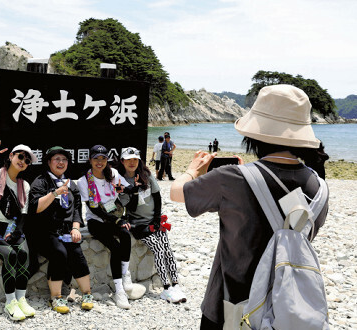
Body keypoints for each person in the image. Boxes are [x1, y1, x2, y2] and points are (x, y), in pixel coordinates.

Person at [170, 84, 329, 329]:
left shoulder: (231, 178)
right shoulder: (320, 188)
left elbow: (176, 193)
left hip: (230, 308)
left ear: (253, 134)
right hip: (289, 308)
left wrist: (192, 171)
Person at [0, 142, 38, 321]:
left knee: (24, 253)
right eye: (20, 156)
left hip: (9, 228)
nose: (23, 161)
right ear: (10, 156)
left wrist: (18, 232)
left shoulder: (24, 185)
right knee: (9, 254)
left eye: (27, 160)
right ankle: (10, 302)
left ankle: (21, 299)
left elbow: (23, 215)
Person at [116, 147, 187, 304]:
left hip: (154, 221)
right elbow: (131, 207)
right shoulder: (120, 181)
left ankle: (175, 285)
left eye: (135, 159)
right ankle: (166, 288)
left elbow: (157, 196)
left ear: (139, 160)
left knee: (167, 249)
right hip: (139, 224)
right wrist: (133, 190)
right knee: (159, 249)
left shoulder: (146, 175)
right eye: (128, 159)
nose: (132, 162)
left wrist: (156, 218)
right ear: (122, 161)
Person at [28, 146, 94, 314]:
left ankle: (87, 294)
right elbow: (35, 207)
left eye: (64, 159)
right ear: (49, 162)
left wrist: (75, 228)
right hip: (44, 231)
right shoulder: (40, 181)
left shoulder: (71, 184)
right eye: (56, 159)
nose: (61, 162)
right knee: (59, 253)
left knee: (77, 252)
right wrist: (55, 193)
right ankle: (56, 297)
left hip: (66, 230)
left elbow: (77, 209)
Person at [76, 145, 133, 309]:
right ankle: (119, 290)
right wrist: (117, 221)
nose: (99, 162)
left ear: (107, 160)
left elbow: (126, 188)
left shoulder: (113, 174)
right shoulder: (83, 181)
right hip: (96, 221)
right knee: (115, 247)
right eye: (96, 158)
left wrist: (130, 188)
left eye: (103, 158)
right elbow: (94, 208)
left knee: (125, 234)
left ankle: (125, 272)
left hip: (113, 216)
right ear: (90, 160)